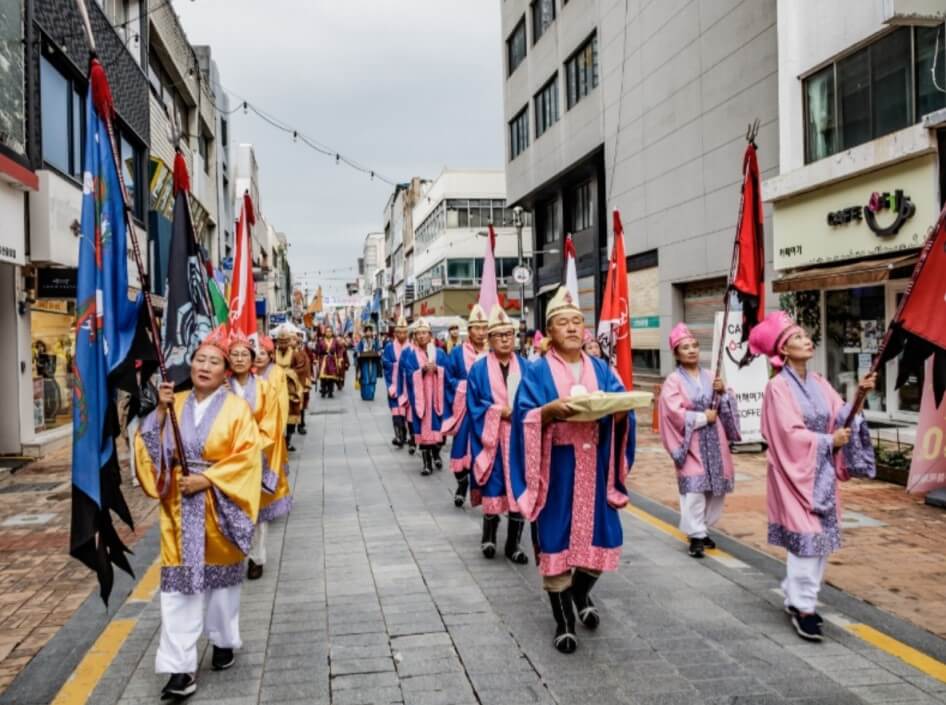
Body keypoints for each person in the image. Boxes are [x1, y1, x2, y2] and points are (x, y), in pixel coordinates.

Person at [134, 325, 261, 699]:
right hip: (178, 508)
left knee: (221, 588)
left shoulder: (238, 410)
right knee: (178, 589)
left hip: (219, 506)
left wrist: (208, 480)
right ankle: (179, 668)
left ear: (226, 372)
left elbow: (248, 459)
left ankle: (223, 639)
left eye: (214, 362)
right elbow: (149, 448)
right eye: (199, 359)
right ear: (190, 366)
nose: (205, 366)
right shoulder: (174, 403)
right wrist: (158, 411)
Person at [509, 286, 637, 654]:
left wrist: (619, 410)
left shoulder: (601, 367)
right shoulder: (535, 371)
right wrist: (548, 412)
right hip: (557, 466)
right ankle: (564, 622)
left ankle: (580, 594)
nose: (571, 328)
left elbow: (619, 401)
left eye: (577, 321)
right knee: (555, 540)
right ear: (549, 331)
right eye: (562, 322)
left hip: (595, 466)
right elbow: (524, 417)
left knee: (606, 536)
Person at [749, 311, 876, 642]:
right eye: (797, 338)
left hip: (821, 469)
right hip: (794, 472)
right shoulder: (777, 388)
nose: (806, 340)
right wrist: (827, 441)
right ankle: (805, 608)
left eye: (806, 336)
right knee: (806, 540)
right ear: (784, 350)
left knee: (819, 542)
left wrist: (859, 397)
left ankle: (797, 594)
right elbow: (788, 433)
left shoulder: (819, 381)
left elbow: (840, 414)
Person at [658, 323, 741, 559]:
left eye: (694, 345)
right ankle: (695, 536)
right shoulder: (673, 381)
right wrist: (703, 417)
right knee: (695, 489)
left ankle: (702, 528)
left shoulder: (711, 377)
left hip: (716, 441)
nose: (692, 350)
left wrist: (723, 392)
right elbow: (672, 412)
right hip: (692, 442)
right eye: (685, 347)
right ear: (676, 353)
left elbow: (725, 406)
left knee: (716, 491)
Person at [467, 305, 529, 563]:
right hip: (492, 439)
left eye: (509, 334)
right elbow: (474, 405)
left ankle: (513, 544)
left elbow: (537, 401)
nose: (505, 338)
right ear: (489, 339)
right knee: (493, 486)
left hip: (519, 440)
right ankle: (488, 537)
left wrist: (522, 412)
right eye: (499, 334)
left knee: (519, 488)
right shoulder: (479, 370)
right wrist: (496, 412)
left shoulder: (527, 367)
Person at [225, 330, 281, 581]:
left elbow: (271, 422)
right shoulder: (221, 388)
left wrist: (251, 447)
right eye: (234, 354)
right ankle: (235, 554)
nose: (239, 359)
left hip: (256, 457)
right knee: (231, 510)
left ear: (252, 358)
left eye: (243, 354)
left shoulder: (264, 387)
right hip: (226, 459)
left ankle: (257, 557)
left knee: (257, 511)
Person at [443, 305, 489, 507]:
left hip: (487, 412)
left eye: (484, 328)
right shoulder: (457, 353)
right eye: (476, 328)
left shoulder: (493, 353)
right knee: (460, 454)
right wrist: (463, 386)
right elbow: (448, 378)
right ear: (469, 331)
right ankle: (462, 483)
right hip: (464, 411)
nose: (481, 332)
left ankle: (485, 494)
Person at [397, 317, 449, 476]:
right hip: (421, 400)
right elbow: (408, 374)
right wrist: (422, 371)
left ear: (430, 335)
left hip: (437, 399)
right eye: (418, 333)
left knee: (439, 433)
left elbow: (448, 372)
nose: (421, 336)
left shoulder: (439, 353)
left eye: (424, 333)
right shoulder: (412, 355)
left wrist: (438, 369)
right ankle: (427, 464)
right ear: (415, 336)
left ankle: (437, 455)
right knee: (423, 433)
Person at [275, 326, 306, 451]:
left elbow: (301, 368)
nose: (283, 344)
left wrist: (288, 373)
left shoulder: (295, 354)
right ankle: (279, 440)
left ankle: (288, 440)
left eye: (285, 342)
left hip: (290, 387)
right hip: (276, 387)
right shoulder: (273, 353)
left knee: (291, 415)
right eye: (280, 342)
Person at [382, 316, 410, 448]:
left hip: (408, 385)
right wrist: (398, 365)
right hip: (394, 383)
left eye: (405, 332)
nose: (402, 335)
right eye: (399, 332)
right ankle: (398, 436)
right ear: (395, 333)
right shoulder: (389, 347)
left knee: (407, 411)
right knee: (395, 410)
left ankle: (407, 435)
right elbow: (386, 364)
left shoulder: (412, 347)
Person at [356, 325, 383, 401]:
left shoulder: (375, 340)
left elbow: (379, 349)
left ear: (372, 332)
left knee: (373, 378)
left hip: (373, 361)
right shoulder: (362, 341)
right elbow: (358, 349)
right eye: (367, 331)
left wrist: (379, 352)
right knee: (365, 378)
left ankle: (371, 394)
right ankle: (365, 395)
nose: (368, 332)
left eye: (370, 331)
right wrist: (358, 353)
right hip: (364, 362)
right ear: (365, 332)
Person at [316, 325, 344, 398]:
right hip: (323, 359)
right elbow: (317, 351)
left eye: (330, 331)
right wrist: (315, 359)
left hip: (332, 360)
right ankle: (323, 390)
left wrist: (340, 358)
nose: (328, 333)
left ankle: (330, 391)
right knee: (323, 377)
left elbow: (339, 350)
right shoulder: (321, 341)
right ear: (325, 332)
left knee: (332, 377)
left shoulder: (335, 341)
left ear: (332, 332)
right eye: (327, 331)